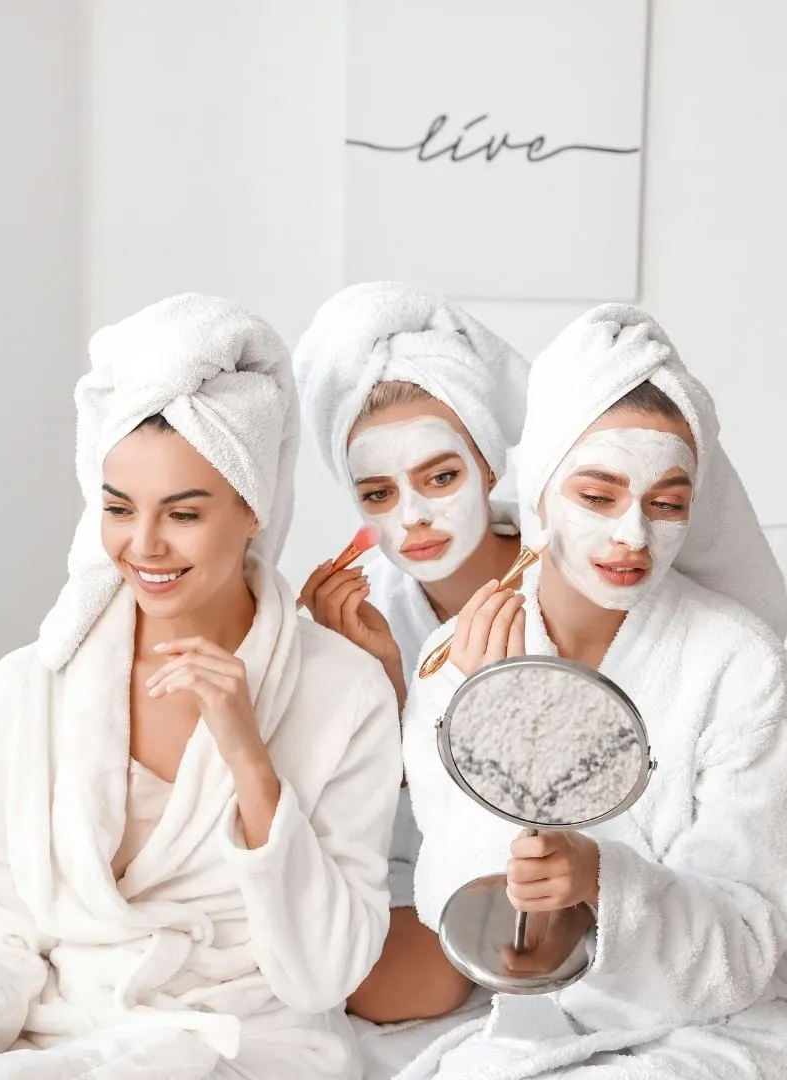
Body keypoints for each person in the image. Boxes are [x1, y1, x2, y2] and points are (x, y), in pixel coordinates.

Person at [0, 295, 402, 1080]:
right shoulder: (32, 689)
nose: (143, 545)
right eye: (118, 509)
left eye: (182, 515)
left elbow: (327, 973)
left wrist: (248, 757)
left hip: (246, 1046)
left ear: (252, 508)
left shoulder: (345, 693)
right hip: (61, 1040)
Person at [401, 304, 787, 1079]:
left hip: (715, 1027)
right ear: (542, 492)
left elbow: (748, 945)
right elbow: (459, 905)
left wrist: (605, 882)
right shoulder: (456, 660)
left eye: (667, 503)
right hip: (529, 1019)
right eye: (599, 496)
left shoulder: (741, 665)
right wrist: (492, 722)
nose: (633, 537)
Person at [293, 283, 529, 1045]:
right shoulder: (364, 608)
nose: (414, 516)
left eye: (440, 477)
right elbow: (354, 816)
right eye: (378, 493)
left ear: (488, 465)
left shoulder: (566, 585)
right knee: (398, 987)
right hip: (408, 862)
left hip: (542, 857)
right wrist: (374, 690)